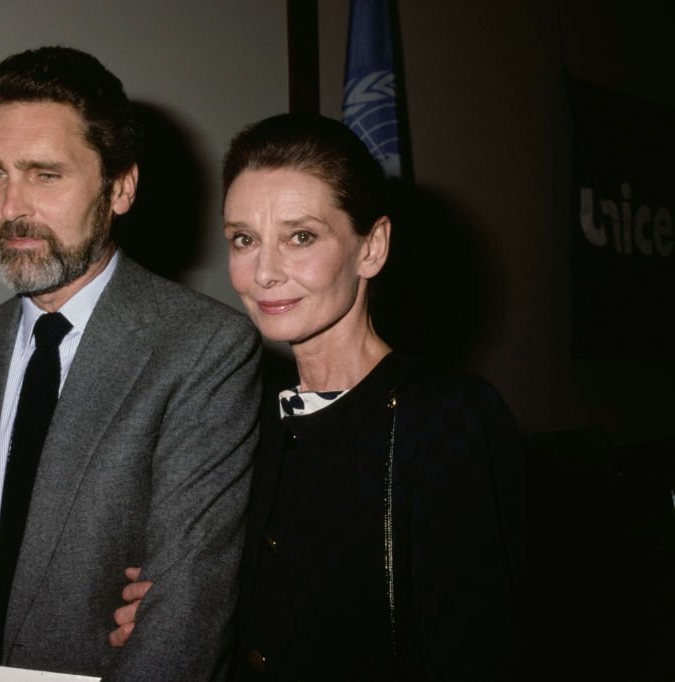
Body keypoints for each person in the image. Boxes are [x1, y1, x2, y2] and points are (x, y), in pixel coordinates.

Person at [0, 46, 261, 681]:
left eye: (45, 175)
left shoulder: (204, 350)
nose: (12, 206)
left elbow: (184, 618)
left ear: (120, 187)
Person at [111, 113, 525, 679]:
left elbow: (480, 648)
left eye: (300, 237)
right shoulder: (246, 419)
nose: (263, 273)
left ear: (371, 247)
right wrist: (182, 609)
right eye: (244, 240)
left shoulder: (447, 416)